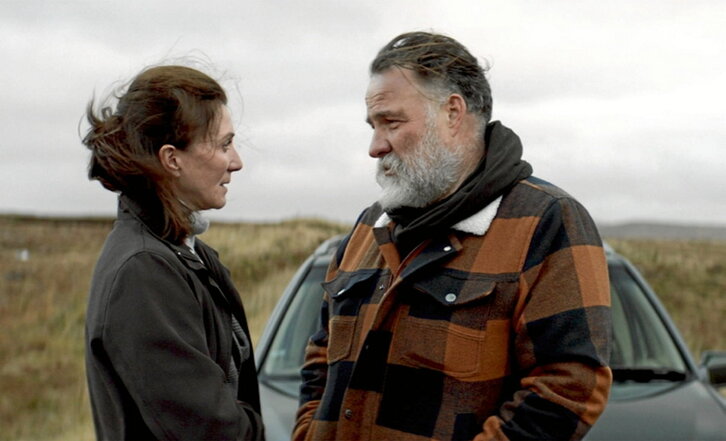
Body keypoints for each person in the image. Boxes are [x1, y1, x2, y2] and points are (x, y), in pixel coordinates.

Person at [294, 32, 611, 441]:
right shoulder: (371, 225)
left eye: (391, 122)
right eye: (373, 126)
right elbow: (320, 357)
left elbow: (569, 387)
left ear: (452, 113)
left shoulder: (547, 221)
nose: (375, 146)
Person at [83, 65, 264, 440]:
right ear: (172, 159)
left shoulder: (186, 254)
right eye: (224, 145)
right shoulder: (144, 270)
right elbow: (210, 430)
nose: (236, 161)